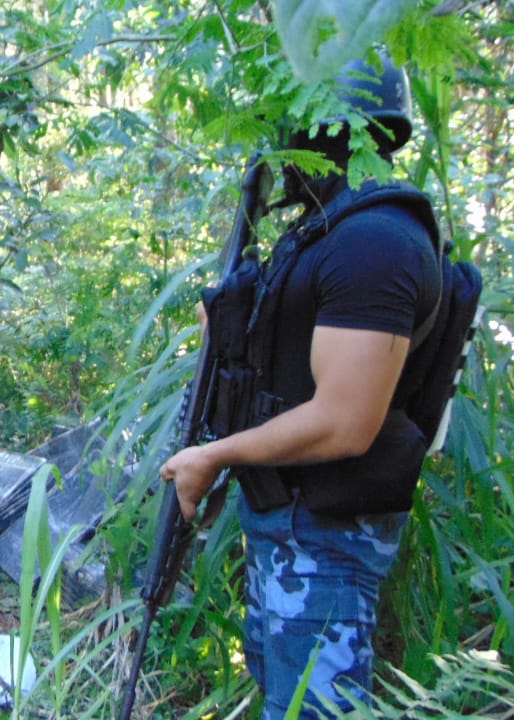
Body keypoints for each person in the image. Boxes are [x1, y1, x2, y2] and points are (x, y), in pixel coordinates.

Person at [159, 54, 442, 718]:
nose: (277, 158)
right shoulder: (326, 233)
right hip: (291, 525)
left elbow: (346, 421)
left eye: (288, 135)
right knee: (281, 691)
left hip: (327, 535)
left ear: (323, 134)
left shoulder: (375, 241)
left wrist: (215, 455)